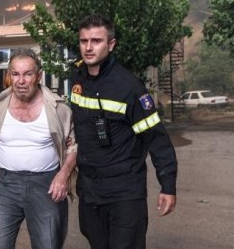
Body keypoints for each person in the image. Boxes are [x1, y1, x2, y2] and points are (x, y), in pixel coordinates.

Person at [70, 14, 178, 249]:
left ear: (111, 44)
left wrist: (167, 186)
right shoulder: (77, 81)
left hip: (124, 193)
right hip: (89, 191)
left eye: (96, 41)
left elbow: (157, 140)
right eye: (83, 41)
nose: (88, 47)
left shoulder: (129, 87)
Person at [0, 48, 77, 249]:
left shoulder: (59, 109)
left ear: (38, 76)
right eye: (15, 74)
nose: (21, 81)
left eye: (27, 74)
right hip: (5, 185)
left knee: (48, 244)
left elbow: (73, 147)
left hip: (46, 185)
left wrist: (63, 176)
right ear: (9, 76)